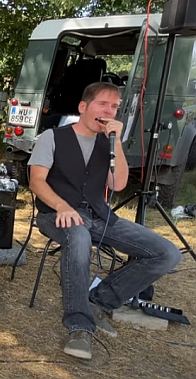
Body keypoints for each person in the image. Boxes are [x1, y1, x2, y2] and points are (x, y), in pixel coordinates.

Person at [28, 82, 182, 360]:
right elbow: (36, 182)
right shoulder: (53, 137)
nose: (110, 111)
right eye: (104, 104)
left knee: (166, 253)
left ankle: (98, 302)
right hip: (55, 214)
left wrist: (117, 144)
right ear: (84, 107)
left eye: (115, 106)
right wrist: (62, 206)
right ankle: (79, 327)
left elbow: (119, 183)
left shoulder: (108, 143)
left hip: (98, 215)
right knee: (79, 236)